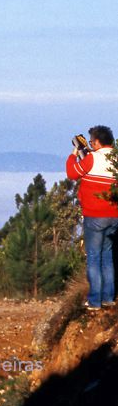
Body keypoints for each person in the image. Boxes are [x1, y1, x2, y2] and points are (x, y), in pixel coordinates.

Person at [66, 125, 118, 310]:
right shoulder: (115, 160)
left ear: (96, 142)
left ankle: (95, 301)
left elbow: (72, 173)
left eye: (91, 141)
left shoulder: (92, 158)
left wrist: (74, 153)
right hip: (114, 216)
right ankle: (108, 298)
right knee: (108, 257)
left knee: (94, 257)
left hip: (94, 216)